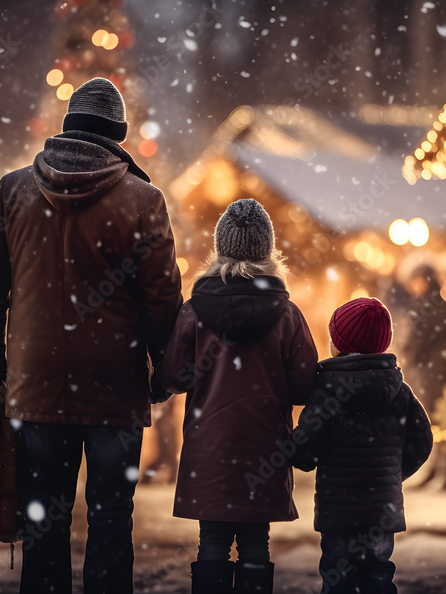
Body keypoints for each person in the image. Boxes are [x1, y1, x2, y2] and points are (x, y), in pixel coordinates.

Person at [0, 77, 183, 594]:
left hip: (34, 388)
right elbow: (162, 299)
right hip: (116, 388)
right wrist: (163, 377)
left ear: (67, 128)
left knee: (45, 522)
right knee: (111, 522)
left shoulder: (12, 191)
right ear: (119, 136)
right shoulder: (143, 200)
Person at [156, 198, 318, 594]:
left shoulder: (194, 311)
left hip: (208, 446)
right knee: (254, 543)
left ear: (220, 248)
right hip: (264, 447)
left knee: (211, 541)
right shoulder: (287, 315)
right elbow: (304, 388)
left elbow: (173, 376)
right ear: (267, 251)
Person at [290, 297, 433, 594]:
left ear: (337, 344)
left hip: (338, 512)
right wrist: (391, 473)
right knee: (378, 576)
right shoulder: (400, 391)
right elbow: (423, 442)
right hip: (382, 511)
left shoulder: (326, 390)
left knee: (338, 577)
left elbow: (305, 454)